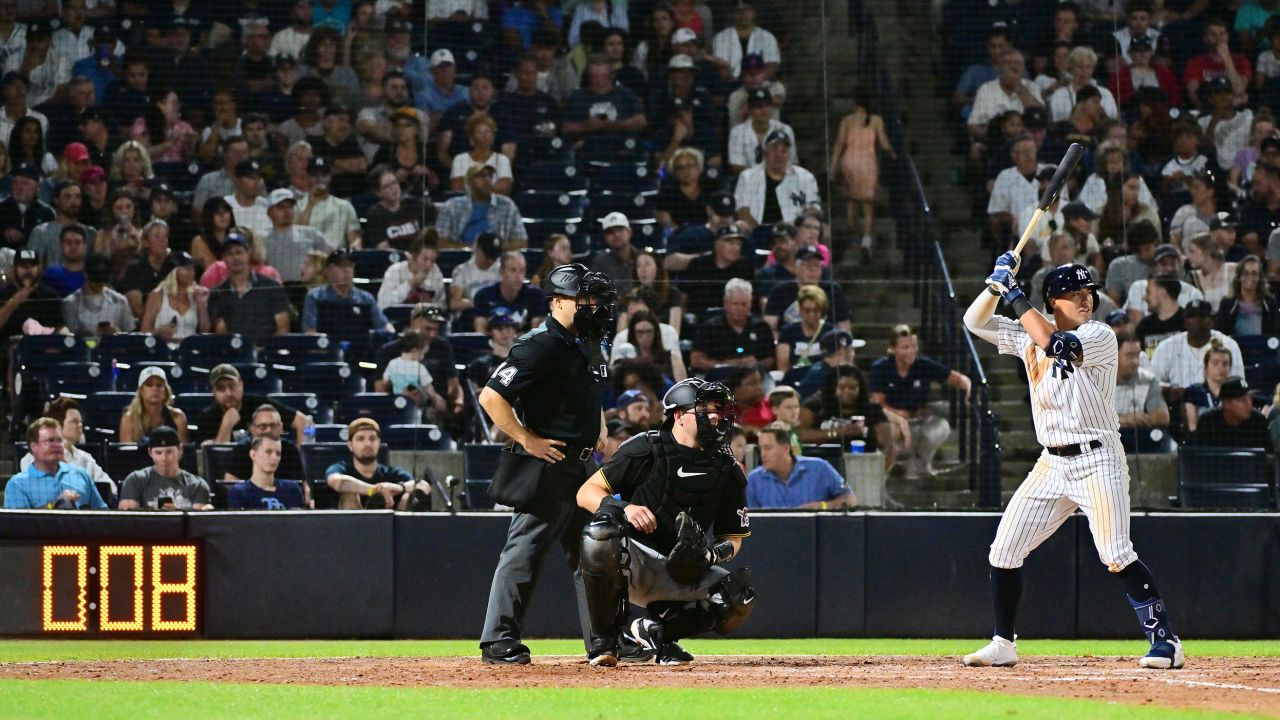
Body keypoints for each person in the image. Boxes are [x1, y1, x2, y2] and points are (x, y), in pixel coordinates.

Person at [963, 257, 1184, 670]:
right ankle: (1003, 643)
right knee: (1004, 551)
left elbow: (1057, 345)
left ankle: (1166, 642)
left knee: (1116, 552)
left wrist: (1012, 294)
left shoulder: (1099, 334)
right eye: (1074, 294)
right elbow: (974, 321)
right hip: (1052, 463)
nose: (1086, 300)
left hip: (1098, 458)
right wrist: (993, 286)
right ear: (1052, 301)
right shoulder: (1029, 334)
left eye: (1089, 293)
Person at [478, 263, 617, 665]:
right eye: (585, 299)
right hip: (550, 464)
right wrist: (526, 438)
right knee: (525, 551)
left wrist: (601, 423)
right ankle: (498, 640)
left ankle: (605, 641)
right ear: (557, 302)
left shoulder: (588, 340)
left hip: (582, 467)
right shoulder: (538, 343)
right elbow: (491, 397)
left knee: (595, 553)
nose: (595, 307)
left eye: (597, 299)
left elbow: (589, 392)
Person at [574, 377, 754, 666]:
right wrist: (625, 508)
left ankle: (657, 633)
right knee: (600, 533)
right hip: (632, 560)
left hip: (683, 567)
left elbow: (733, 539)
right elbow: (586, 493)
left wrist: (712, 553)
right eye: (705, 410)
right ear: (679, 416)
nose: (715, 417)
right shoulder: (646, 448)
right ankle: (605, 642)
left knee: (739, 596)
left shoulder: (728, 468)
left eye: (718, 411)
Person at [869, 324, 971, 479]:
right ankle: (883, 474)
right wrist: (898, 416)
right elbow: (877, 404)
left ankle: (919, 465)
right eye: (905, 348)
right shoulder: (880, 368)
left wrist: (968, 389)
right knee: (889, 429)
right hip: (892, 422)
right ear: (892, 349)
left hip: (917, 421)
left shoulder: (924, 365)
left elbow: (958, 378)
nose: (911, 351)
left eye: (914, 346)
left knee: (941, 426)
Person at [831, 87, 894, 258]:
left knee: (851, 201)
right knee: (868, 206)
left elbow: (839, 145)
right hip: (867, 164)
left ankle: (853, 232)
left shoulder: (847, 121)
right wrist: (894, 154)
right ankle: (866, 241)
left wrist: (833, 167)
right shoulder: (876, 120)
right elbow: (885, 143)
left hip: (849, 162)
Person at [325, 418, 434, 511]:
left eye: (372, 438)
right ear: (350, 445)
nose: (367, 444)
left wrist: (398, 488)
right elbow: (337, 482)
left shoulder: (391, 473)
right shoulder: (341, 468)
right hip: (352, 530)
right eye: (360, 439)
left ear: (379, 443)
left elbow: (424, 485)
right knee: (349, 494)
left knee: (409, 496)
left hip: (391, 529)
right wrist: (375, 491)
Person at [192, 363, 311, 446]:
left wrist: (302, 458)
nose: (228, 393)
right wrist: (226, 426)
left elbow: (306, 422)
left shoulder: (258, 404)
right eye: (221, 388)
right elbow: (214, 460)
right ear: (213, 392)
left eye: (232, 386)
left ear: (241, 385)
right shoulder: (206, 417)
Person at [17, 397, 115, 498]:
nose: (80, 425)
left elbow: (111, 487)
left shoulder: (85, 458)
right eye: (74, 421)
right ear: (58, 424)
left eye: (81, 421)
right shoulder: (33, 458)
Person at [1150, 299, 1244, 403]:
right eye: (1191, 317)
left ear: (1212, 321)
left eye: (1202, 317)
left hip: (1219, 405)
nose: (1196, 321)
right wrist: (1170, 389)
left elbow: (1239, 383)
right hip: (1179, 406)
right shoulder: (1167, 347)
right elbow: (1152, 383)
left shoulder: (1229, 345)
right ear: (1185, 321)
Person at [206, 231, 291, 346]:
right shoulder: (218, 293)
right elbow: (221, 330)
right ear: (224, 258)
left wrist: (264, 351)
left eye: (239, 252)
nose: (235, 258)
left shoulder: (271, 287)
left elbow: (283, 328)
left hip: (267, 355)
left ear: (248, 253)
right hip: (235, 354)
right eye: (229, 254)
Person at [3, 416, 107, 509]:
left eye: (59, 440)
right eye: (50, 441)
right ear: (34, 446)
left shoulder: (80, 475)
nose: (56, 445)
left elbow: (102, 514)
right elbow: (19, 525)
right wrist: (55, 505)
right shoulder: (18, 484)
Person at [747, 424, 855, 509]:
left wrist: (822, 506)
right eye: (761, 449)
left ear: (786, 448)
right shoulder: (753, 480)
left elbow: (850, 500)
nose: (762, 455)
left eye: (768, 448)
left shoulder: (819, 468)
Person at [733, 129, 819, 230]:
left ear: (789, 155)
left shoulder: (805, 178)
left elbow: (814, 210)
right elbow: (743, 212)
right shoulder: (747, 177)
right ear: (765, 153)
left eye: (784, 151)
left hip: (794, 235)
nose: (779, 155)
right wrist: (760, 234)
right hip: (758, 234)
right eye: (774, 149)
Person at [689, 277, 775, 372]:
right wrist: (725, 366)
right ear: (725, 304)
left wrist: (756, 365)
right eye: (735, 304)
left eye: (743, 304)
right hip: (718, 379)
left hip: (756, 376)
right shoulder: (709, 328)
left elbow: (770, 358)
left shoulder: (761, 326)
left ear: (750, 304)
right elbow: (696, 360)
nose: (739, 308)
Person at [302, 248, 394, 336]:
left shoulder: (365, 299)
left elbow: (384, 326)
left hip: (360, 349)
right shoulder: (316, 297)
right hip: (328, 349)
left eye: (350, 265)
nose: (346, 270)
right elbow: (310, 332)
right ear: (328, 271)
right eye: (341, 265)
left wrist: (391, 334)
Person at [117, 426, 212, 511]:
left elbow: (198, 524)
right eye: (158, 453)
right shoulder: (135, 480)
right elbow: (128, 521)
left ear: (180, 450)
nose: (164, 458)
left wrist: (176, 512)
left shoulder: (197, 485)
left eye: (169, 452)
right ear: (150, 452)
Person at [435, 163, 527, 248]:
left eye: (490, 176)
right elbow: (440, 242)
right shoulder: (452, 205)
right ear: (469, 182)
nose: (487, 180)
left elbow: (522, 243)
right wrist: (472, 250)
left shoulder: (507, 205)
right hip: (461, 259)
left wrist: (493, 250)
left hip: (498, 260)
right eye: (481, 176)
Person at [61, 252, 134, 336]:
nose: (100, 283)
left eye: (103, 278)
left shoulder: (120, 301)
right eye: (96, 278)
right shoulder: (70, 303)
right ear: (86, 274)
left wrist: (117, 333)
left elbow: (131, 337)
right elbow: (70, 338)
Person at [226, 435, 307, 510]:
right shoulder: (240, 492)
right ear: (253, 454)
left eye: (278, 454)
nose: (274, 457)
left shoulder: (292, 490)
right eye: (268, 452)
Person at [1190, 376, 1272, 449]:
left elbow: (1269, 458)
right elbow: (1199, 458)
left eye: (1250, 398)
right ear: (1227, 403)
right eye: (1242, 400)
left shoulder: (1258, 421)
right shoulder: (1208, 421)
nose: (1249, 405)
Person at [473, 251, 545, 332]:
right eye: (513, 270)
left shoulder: (535, 295)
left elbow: (537, 334)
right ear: (501, 271)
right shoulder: (484, 296)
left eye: (522, 270)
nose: (518, 276)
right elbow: (480, 332)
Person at [1115, 330, 1171, 432]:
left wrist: (1137, 419)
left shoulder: (1148, 380)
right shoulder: (1095, 381)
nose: (1135, 361)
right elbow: (1086, 418)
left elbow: (1163, 417)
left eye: (1137, 355)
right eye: (1129, 355)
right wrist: (1121, 419)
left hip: (1138, 439)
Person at [119, 365, 188, 443]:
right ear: (141, 390)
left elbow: (182, 451)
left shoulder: (178, 417)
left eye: (159, 385)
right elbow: (127, 453)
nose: (154, 389)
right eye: (149, 385)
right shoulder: (129, 419)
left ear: (165, 391)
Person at [1216, 256, 1280, 336]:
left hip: (1262, 348)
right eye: (1246, 273)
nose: (1250, 277)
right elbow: (1220, 334)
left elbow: (1276, 334)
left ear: (1260, 277)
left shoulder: (1270, 303)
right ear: (1239, 277)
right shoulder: (1227, 303)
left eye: (1254, 273)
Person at [378, 234, 445, 308]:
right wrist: (410, 284)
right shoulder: (395, 270)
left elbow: (442, 307)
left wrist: (429, 304)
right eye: (425, 259)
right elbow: (383, 303)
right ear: (413, 257)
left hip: (426, 317)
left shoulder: (435, 272)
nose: (429, 265)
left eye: (432, 261)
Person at [1182, 341, 1233, 433]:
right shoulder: (1193, 392)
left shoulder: (1235, 393)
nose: (1220, 368)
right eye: (1215, 363)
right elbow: (1192, 426)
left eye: (1225, 364)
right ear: (1206, 367)